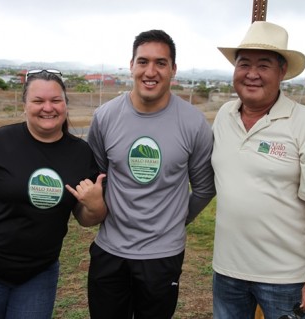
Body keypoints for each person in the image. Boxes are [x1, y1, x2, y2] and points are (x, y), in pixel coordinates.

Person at [0, 69, 107, 319]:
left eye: (55, 100)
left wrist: (95, 205)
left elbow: (86, 218)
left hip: (39, 274)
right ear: (25, 105)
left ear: (65, 105)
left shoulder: (81, 154)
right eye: (38, 101)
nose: (47, 108)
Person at [211, 21, 305, 319]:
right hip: (227, 271)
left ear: (282, 72)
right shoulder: (223, 116)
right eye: (244, 63)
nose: (252, 74)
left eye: (264, 65)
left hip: (285, 279)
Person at [86, 29, 216, 319]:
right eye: (143, 61)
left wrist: (173, 220)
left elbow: (205, 188)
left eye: (161, 63)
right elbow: (98, 178)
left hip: (163, 256)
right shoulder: (105, 117)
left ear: (173, 70)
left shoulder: (194, 123)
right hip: (110, 251)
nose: (151, 71)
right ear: (131, 65)